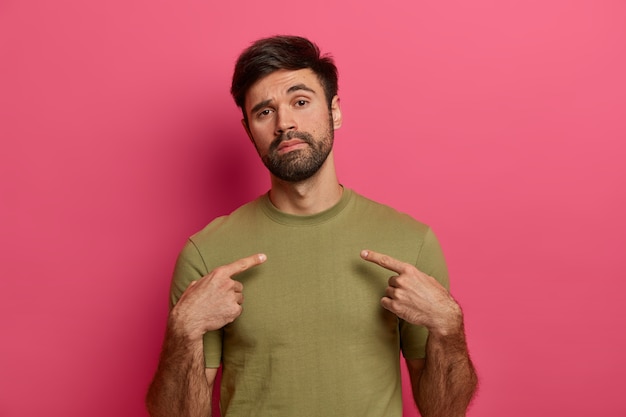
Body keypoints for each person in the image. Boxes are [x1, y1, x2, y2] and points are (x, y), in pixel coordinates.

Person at [146, 35, 477, 417]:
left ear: (335, 111)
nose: (285, 123)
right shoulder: (207, 253)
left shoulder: (411, 242)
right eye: (264, 112)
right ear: (248, 130)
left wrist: (449, 328)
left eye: (300, 102)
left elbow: (444, 411)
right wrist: (182, 332)